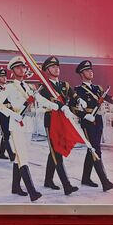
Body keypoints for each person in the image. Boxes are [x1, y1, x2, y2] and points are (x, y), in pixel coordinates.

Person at [0, 56, 60, 201]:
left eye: (23, 67)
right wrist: (12, 114)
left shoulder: (30, 87)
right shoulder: (9, 87)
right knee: (23, 157)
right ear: (12, 70)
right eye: (18, 67)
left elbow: (39, 100)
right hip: (17, 124)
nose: (21, 70)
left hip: (28, 124)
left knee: (19, 156)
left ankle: (15, 187)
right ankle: (32, 191)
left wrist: (55, 106)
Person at [74, 60, 113, 191]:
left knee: (92, 149)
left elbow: (107, 97)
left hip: (98, 120)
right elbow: (75, 107)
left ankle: (85, 178)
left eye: (91, 70)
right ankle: (105, 182)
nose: (91, 72)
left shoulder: (97, 88)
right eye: (87, 70)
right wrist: (85, 115)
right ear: (81, 73)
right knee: (95, 150)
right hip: (88, 122)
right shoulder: (78, 90)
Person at [39, 56, 81, 195]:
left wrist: (80, 101)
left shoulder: (65, 85)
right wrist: (61, 106)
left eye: (57, 66)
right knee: (57, 151)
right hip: (51, 120)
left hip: (63, 120)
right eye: (52, 67)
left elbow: (74, 96)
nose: (56, 69)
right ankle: (66, 185)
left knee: (55, 150)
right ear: (46, 70)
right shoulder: (45, 87)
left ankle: (48, 180)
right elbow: (47, 103)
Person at [0, 69, 15, 160]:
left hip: (10, 113)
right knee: (5, 133)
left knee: (7, 134)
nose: (4, 78)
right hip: (1, 114)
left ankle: (1, 153)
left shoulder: (9, 88)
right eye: (1, 77)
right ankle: (11, 155)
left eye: (5, 76)